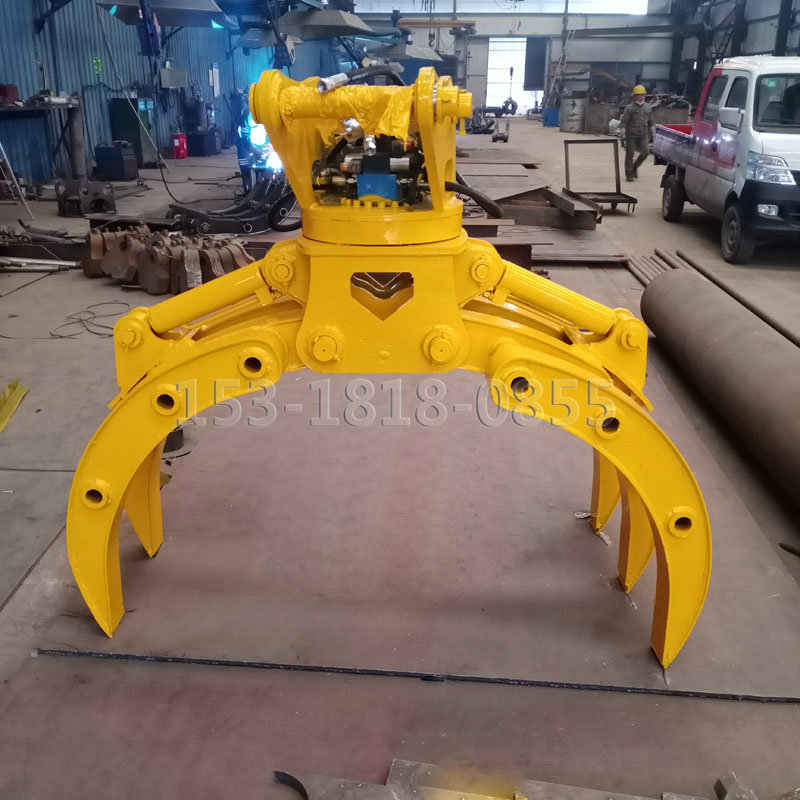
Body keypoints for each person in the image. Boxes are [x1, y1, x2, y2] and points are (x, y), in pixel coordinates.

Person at [620, 85, 654, 181]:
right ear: (634, 96)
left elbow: (651, 121)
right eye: (638, 95)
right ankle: (629, 174)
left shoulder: (648, 107)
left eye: (642, 95)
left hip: (643, 135)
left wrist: (654, 132)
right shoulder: (629, 108)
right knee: (630, 154)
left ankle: (635, 166)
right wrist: (622, 135)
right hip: (631, 136)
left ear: (644, 95)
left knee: (646, 152)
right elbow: (624, 122)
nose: (640, 97)